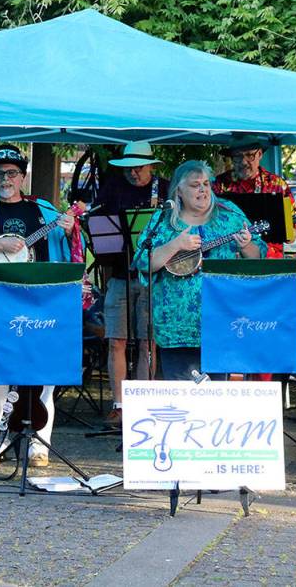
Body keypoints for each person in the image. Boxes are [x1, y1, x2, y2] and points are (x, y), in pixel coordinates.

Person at [0, 144, 76, 466]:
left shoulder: (43, 210)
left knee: (44, 374)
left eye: (11, 173)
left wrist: (70, 229)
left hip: (42, 301)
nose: (5, 179)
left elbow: (68, 248)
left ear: (23, 176)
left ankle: (39, 446)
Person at [133, 160, 265, 380]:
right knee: (182, 395)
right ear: (179, 191)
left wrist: (246, 245)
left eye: (206, 183)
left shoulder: (229, 214)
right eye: (195, 185)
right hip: (177, 323)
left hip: (222, 320)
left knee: (216, 394)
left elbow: (256, 257)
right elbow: (143, 262)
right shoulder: (164, 219)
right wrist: (176, 244)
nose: (203, 190)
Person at [93, 142, 169, 426]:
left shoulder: (164, 190)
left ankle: (144, 403)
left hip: (152, 276)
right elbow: (98, 226)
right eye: (129, 168)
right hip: (119, 275)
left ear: (151, 166)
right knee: (116, 340)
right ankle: (119, 404)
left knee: (148, 342)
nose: (134, 173)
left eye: (139, 167)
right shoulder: (112, 187)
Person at [212, 136, 296, 259]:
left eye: (249, 155)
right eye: (237, 156)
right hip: (229, 256)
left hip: (269, 259)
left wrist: (285, 229)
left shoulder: (277, 185)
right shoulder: (219, 185)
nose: (243, 162)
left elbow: (292, 234)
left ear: (260, 154)